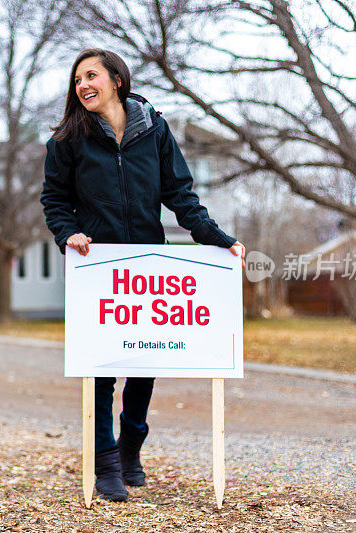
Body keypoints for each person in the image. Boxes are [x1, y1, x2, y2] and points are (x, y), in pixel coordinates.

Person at [40, 48, 245, 502]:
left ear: (116, 78)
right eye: (77, 80)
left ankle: (130, 447)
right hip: (98, 267)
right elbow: (54, 199)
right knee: (100, 369)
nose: (83, 86)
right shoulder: (67, 140)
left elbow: (180, 194)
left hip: (148, 267)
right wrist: (68, 232)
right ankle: (105, 461)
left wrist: (218, 238)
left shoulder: (154, 129)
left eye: (90, 75)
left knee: (144, 363)